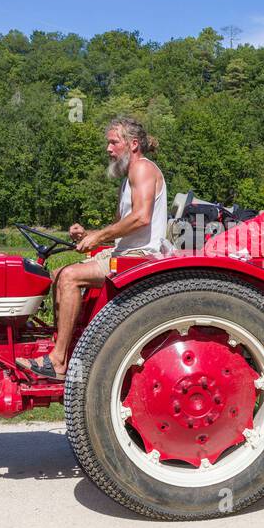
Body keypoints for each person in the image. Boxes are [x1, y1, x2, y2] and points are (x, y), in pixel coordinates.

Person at [16, 116, 167, 380]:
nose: (108, 149)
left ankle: (59, 361)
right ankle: (63, 345)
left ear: (132, 144)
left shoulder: (141, 168)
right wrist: (89, 234)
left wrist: (98, 238)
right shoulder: (128, 178)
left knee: (70, 277)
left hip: (140, 257)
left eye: (113, 142)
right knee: (59, 272)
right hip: (126, 251)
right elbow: (123, 228)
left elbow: (142, 217)